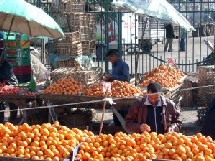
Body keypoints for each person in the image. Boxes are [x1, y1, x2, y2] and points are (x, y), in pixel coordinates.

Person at [0, 52, 18, 123]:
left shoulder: (7, 65)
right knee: (2, 103)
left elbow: (6, 77)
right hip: (3, 86)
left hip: (11, 84)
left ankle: (13, 119)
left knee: (12, 101)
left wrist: (4, 85)